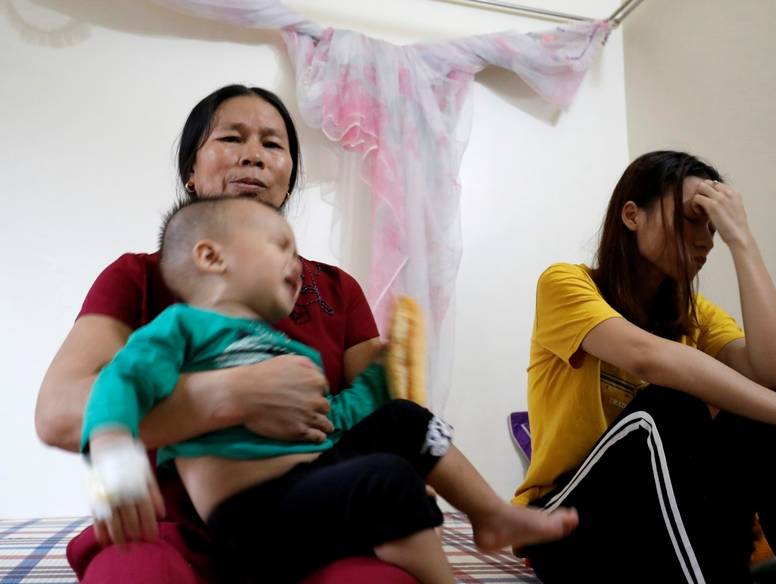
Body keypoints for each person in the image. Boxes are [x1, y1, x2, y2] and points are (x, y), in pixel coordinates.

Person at [81, 196, 578, 584]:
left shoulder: (282, 349)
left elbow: (331, 418)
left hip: (309, 485)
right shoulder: (181, 328)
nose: (296, 261)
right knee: (387, 481)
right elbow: (119, 381)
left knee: (403, 419)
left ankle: (491, 515)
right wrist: (111, 450)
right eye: (279, 245)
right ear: (211, 256)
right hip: (249, 518)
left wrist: (379, 382)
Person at [36, 84, 398, 583]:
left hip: (313, 527)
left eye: (273, 144)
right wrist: (234, 395)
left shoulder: (337, 289)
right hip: (164, 529)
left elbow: (380, 413)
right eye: (232, 138)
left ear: (289, 177)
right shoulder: (138, 277)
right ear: (190, 170)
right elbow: (58, 414)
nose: (254, 155)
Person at [513, 151, 776, 583]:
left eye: (713, 225)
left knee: (764, 420)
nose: (706, 239)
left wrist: (740, 237)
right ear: (633, 215)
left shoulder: (696, 316)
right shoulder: (566, 284)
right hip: (566, 527)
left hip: (657, 532)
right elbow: (648, 358)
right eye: (693, 217)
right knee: (671, 405)